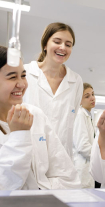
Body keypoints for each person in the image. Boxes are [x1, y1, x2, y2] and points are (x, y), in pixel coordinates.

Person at [0, 45, 81, 191]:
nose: (22, 84)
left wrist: (39, 193)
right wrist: (19, 135)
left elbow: (68, 176)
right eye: (12, 77)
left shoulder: (35, 115)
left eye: (23, 76)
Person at [23, 22, 83, 157]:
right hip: (28, 154)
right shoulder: (25, 73)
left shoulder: (75, 80)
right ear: (45, 45)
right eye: (57, 41)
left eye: (68, 44)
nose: (63, 47)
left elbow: (71, 119)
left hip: (62, 157)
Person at [72, 83, 97, 188]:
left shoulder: (87, 115)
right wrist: (100, 157)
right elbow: (83, 146)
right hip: (82, 168)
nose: (92, 98)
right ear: (79, 100)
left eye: (93, 94)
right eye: (87, 96)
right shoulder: (80, 115)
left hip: (87, 167)